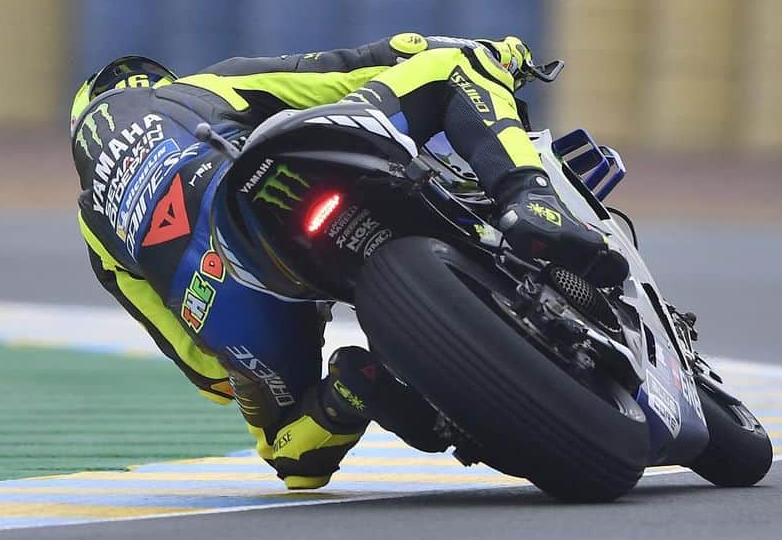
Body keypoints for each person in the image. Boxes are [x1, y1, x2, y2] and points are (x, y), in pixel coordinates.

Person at [70, 33, 624, 490]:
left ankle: (361, 392)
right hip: (259, 182)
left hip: (225, 293)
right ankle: (533, 200)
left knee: (290, 457)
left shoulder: (92, 224)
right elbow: (351, 67)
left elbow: (198, 365)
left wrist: (245, 370)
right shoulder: (193, 91)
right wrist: (504, 55)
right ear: (152, 81)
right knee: (455, 67)